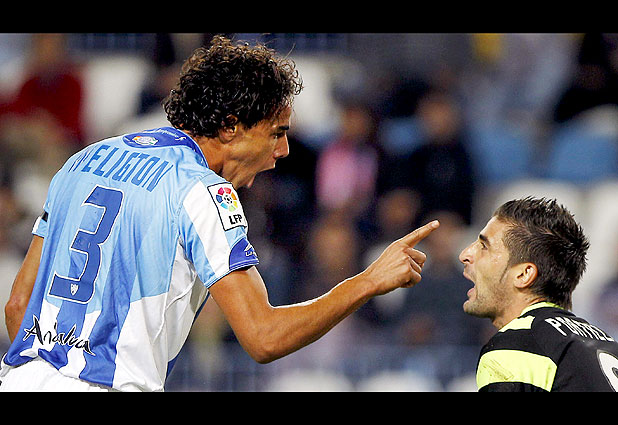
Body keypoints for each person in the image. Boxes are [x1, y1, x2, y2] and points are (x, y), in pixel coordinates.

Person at [0, 36, 439, 392]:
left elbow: (19, 305)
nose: (283, 151)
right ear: (230, 126)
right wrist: (368, 282)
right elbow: (264, 337)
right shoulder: (203, 191)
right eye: (276, 133)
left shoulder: (82, 161)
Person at [459, 197, 618, 392]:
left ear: (523, 274)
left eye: (484, 246)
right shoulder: (606, 343)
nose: (465, 254)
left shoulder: (518, 343)